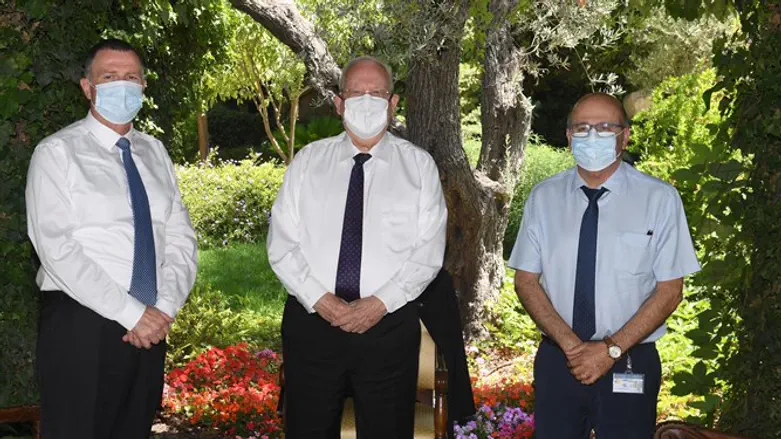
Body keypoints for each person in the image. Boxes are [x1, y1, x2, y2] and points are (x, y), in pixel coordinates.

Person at [267, 56, 447, 439]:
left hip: (388, 327)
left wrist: (378, 304)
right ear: (338, 103)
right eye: (355, 93)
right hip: (313, 325)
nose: (366, 102)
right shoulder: (307, 162)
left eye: (376, 93)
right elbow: (282, 244)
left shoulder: (419, 167)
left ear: (393, 103)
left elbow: (428, 252)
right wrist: (323, 302)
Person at [26, 38, 197, 439]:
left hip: (151, 325)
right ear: (87, 87)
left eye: (131, 77)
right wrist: (131, 314)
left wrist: (163, 310)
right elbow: (56, 248)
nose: (122, 85)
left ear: (143, 86)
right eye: (109, 77)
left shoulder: (155, 152)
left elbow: (180, 239)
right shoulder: (56, 153)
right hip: (81, 324)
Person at [509, 93, 700, 439]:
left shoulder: (659, 199)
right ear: (569, 137)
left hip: (630, 359)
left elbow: (670, 291)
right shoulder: (543, 197)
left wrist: (610, 349)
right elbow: (525, 281)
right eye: (582, 128)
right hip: (560, 360)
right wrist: (572, 347)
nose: (592, 136)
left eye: (605, 127)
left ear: (625, 136)